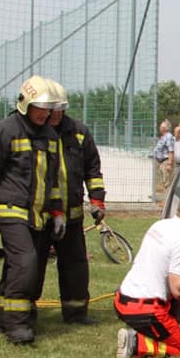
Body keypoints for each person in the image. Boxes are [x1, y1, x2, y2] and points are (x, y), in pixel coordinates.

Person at [0, 75, 63, 345]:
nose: (45, 114)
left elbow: (52, 179)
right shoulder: (6, 130)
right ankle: (18, 327)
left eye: (48, 109)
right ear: (25, 104)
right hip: (11, 209)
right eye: (40, 108)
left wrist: (56, 211)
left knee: (21, 266)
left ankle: (2, 316)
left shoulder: (50, 136)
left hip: (39, 213)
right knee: (25, 263)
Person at [44, 80, 106, 326]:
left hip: (71, 216)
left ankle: (76, 313)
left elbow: (93, 169)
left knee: (76, 267)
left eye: (61, 108)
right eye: (52, 109)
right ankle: (17, 315)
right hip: (40, 215)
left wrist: (97, 201)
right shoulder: (33, 132)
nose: (56, 114)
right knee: (30, 267)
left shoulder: (78, 133)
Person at [114, 190, 180, 358]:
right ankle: (136, 342)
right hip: (145, 309)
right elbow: (177, 290)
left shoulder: (159, 225)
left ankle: (143, 335)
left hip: (122, 299)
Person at [152, 120, 175, 189]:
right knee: (162, 181)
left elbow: (171, 150)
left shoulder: (168, 136)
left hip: (165, 161)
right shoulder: (163, 136)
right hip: (161, 162)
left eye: (160, 126)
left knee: (166, 182)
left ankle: (166, 197)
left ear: (164, 128)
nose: (159, 128)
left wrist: (169, 164)